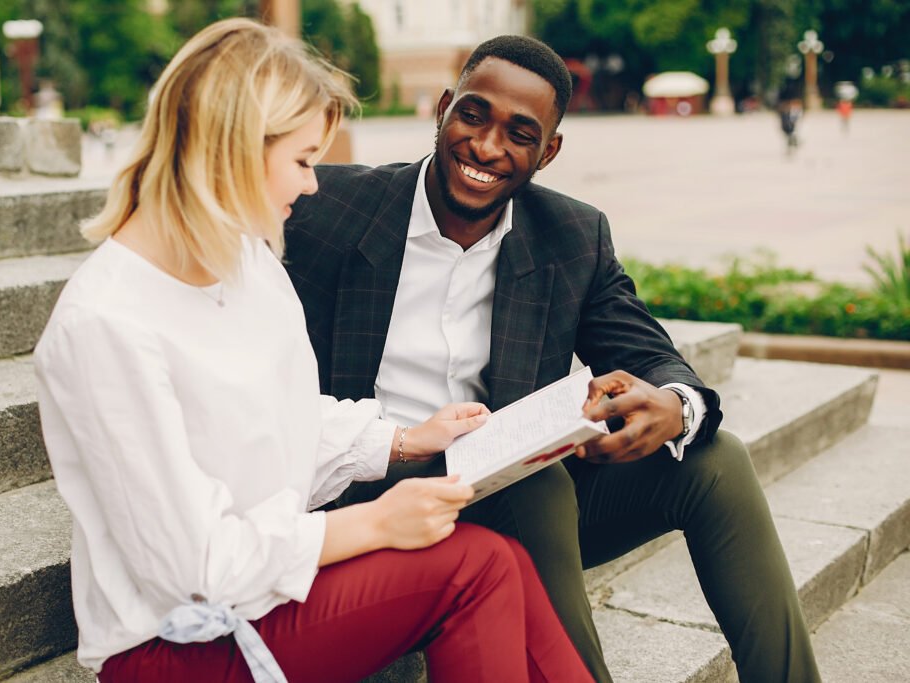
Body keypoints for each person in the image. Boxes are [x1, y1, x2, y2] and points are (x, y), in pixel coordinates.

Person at [34, 19, 593, 683]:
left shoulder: (245, 260)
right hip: (174, 642)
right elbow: (198, 568)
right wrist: (377, 522)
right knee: (478, 565)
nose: (312, 186)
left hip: (265, 592)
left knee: (506, 559)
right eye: (301, 159)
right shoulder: (104, 324)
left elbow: (290, 420)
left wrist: (409, 438)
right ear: (235, 149)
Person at [284, 35, 821, 682]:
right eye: (474, 115)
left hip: (508, 496)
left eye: (519, 133)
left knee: (714, 458)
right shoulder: (325, 208)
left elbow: (651, 355)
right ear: (445, 108)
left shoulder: (573, 237)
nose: (486, 147)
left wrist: (672, 406)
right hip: (370, 494)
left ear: (549, 151)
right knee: (537, 481)